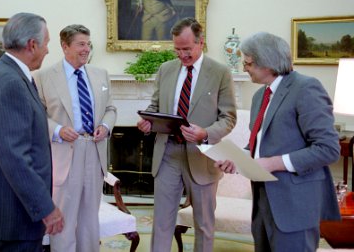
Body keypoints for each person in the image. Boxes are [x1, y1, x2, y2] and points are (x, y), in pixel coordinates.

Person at [215, 32, 341, 252]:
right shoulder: (259, 97)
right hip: (263, 201)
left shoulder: (306, 88)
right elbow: (259, 146)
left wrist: (272, 163)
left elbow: (328, 149)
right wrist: (237, 160)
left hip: (295, 204)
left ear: (268, 63)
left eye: (249, 63)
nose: (245, 68)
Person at [137, 17, 237, 252]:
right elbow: (155, 106)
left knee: (203, 224)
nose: (181, 55)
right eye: (177, 49)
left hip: (202, 156)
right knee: (161, 223)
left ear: (201, 42)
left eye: (187, 49)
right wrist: (148, 121)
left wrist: (205, 132)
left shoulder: (220, 72)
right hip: (167, 154)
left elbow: (229, 117)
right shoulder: (166, 69)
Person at [0, 12, 64, 252]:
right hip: (15, 215)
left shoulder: (2, 73)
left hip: (11, 212)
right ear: (32, 45)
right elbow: (15, 158)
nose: (47, 50)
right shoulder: (10, 82)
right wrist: (46, 208)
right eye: (46, 43)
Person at [33, 24, 117, 252]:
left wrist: (105, 126)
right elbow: (36, 116)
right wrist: (58, 130)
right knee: (65, 218)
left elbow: (111, 108)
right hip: (64, 153)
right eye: (81, 44)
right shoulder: (43, 77)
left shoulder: (101, 74)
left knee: (90, 219)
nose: (86, 49)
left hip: (95, 150)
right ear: (65, 46)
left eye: (88, 44)